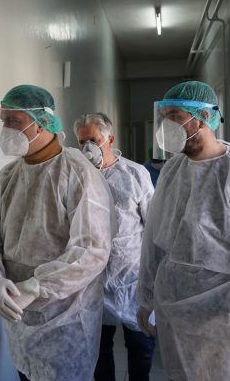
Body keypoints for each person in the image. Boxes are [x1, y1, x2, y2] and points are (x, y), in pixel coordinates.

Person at [137, 81, 230, 381]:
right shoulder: (171, 171)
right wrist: (146, 296)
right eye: (164, 117)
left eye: (175, 117)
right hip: (174, 313)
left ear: (204, 117)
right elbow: (154, 241)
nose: (167, 126)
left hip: (224, 319)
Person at [0, 85, 114, 381]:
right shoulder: (6, 178)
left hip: (66, 320)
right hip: (19, 319)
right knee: (26, 373)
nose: (6, 129)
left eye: (14, 121)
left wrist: (35, 288)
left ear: (43, 122)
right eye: (4, 120)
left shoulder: (78, 173)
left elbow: (91, 251)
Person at [73, 112, 156, 381]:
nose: (88, 147)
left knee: (141, 347)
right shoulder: (76, 177)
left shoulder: (134, 174)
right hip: (93, 283)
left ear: (110, 139)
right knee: (99, 351)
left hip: (133, 279)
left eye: (94, 140)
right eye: (82, 142)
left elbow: (154, 226)